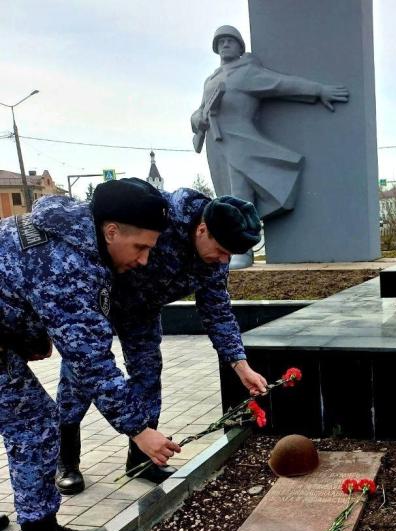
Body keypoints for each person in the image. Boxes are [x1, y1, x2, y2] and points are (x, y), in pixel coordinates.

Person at [0, 178, 180, 531]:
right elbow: (91, 359)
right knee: (32, 423)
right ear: (111, 230)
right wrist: (139, 429)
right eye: (141, 247)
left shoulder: (69, 235)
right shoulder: (69, 262)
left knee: (28, 419)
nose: (145, 260)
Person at [56, 188, 268, 494]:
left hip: (141, 311)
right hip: (95, 300)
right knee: (81, 376)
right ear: (202, 228)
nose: (223, 260)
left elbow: (217, 312)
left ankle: (142, 459)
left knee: (148, 372)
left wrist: (240, 365)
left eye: (229, 255)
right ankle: (66, 459)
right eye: (222, 250)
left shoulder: (215, 259)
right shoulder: (158, 217)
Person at [191, 25, 348, 220]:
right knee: (224, 197)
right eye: (221, 42)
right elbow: (200, 109)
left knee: (240, 197)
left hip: (240, 141)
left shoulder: (246, 72)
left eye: (230, 41)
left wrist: (318, 90)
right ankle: (235, 247)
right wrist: (197, 118)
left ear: (241, 48)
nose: (225, 45)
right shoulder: (210, 80)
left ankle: (242, 249)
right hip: (214, 145)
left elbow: (282, 84)